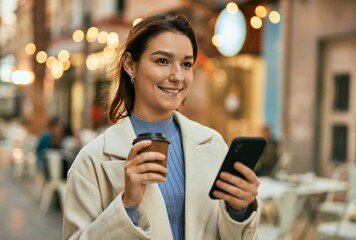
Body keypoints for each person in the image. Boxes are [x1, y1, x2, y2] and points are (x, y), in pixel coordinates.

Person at [63, 13, 261, 240]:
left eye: (186, 64)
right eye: (162, 61)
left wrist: (239, 210)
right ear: (130, 65)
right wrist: (128, 206)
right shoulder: (92, 161)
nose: (177, 76)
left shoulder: (213, 144)